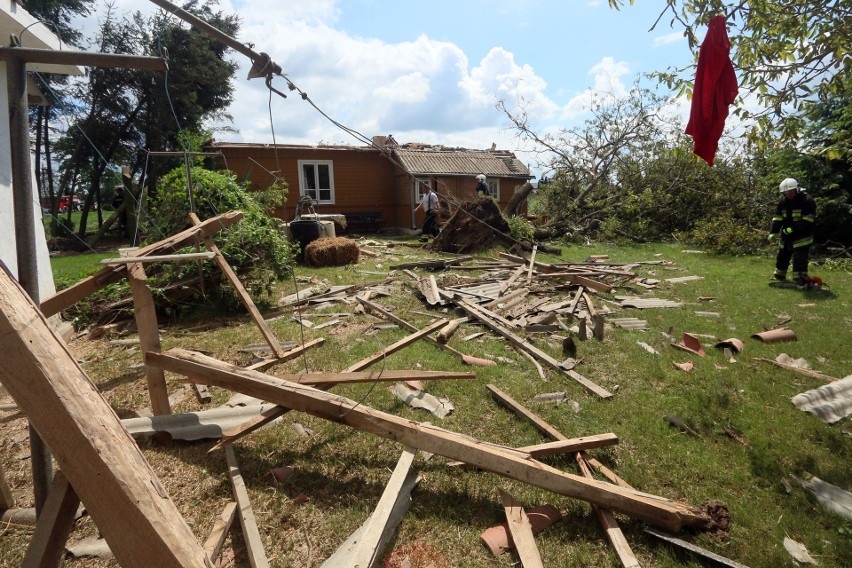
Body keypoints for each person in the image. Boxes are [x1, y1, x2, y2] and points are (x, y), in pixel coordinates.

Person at [768, 177, 816, 289]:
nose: (788, 195)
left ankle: (800, 279)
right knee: (782, 255)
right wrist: (773, 232)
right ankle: (779, 275)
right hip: (786, 236)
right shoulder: (783, 202)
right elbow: (777, 218)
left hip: (802, 236)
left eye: (790, 192)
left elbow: (809, 219)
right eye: (786, 193)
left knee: (800, 258)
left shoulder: (807, 200)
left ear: (797, 189)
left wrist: (793, 229)